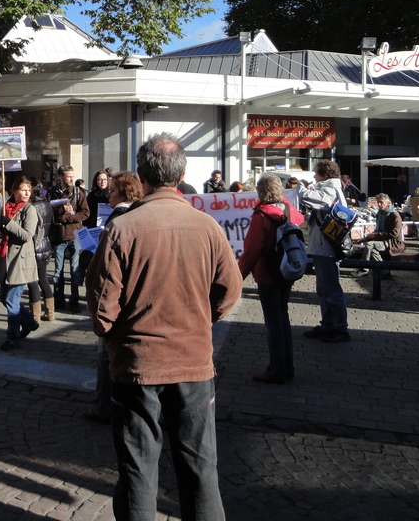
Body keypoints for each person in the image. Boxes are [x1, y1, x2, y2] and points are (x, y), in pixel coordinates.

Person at [86, 134, 242, 520]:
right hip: (192, 363)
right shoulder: (207, 226)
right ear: (183, 174)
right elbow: (230, 290)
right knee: (200, 468)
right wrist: (201, 320)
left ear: (141, 174)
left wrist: (111, 336)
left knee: (138, 468)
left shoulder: (123, 228)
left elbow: (102, 304)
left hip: (139, 366)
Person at [85, 170, 143, 424]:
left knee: (106, 356)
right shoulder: (142, 214)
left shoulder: (118, 218)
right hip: (138, 297)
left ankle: (105, 409)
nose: (108, 194)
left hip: (118, 300)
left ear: (122, 193)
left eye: (112, 190)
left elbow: (106, 270)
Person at [239, 174, 306, 385]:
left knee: (273, 323)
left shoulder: (261, 216)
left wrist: (237, 276)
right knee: (282, 318)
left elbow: (251, 250)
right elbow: (300, 219)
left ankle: (276, 370)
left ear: (260, 192)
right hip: (287, 270)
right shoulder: (287, 210)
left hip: (268, 273)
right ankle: (287, 367)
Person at [299, 160, 351, 343]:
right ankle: (328, 325)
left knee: (331, 289)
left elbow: (315, 199)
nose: (314, 176)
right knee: (324, 289)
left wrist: (299, 188)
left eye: (316, 173)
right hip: (323, 246)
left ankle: (340, 328)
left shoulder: (330, 190)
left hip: (326, 247)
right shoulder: (331, 188)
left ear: (325, 175)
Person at [0, 177, 41, 351]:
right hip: (5, 258)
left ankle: (12, 337)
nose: (27, 193)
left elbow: (27, 235)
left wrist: (10, 224)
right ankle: (29, 322)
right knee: (3, 297)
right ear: (14, 191)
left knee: (11, 299)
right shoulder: (6, 207)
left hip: (20, 261)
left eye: (29, 190)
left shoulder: (29, 210)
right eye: (23, 189)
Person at [49, 165, 90, 313]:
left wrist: (70, 216)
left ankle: (74, 301)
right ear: (60, 177)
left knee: (75, 270)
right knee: (58, 271)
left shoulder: (79, 193)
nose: (71, 179)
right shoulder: (53, 192)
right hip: (59, 236)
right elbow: (48, 212)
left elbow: (85, 213)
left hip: (75, 235)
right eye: (68, 176)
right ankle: (58, 300)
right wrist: (59, 213)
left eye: (73, 176)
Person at [357, 193, 406, 278]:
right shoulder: (379, 213)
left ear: (388, 203)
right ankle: (384, 270)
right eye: (378, 202)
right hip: (381, 239)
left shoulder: (394, 215)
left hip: (391, 242)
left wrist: (376, 236)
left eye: (381, 202)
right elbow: (378, 229)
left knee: (369, 245)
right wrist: (369, 236)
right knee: (371, 249)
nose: (379, 204)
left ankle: (364, 270)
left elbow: (394, 233)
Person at [27, 180, 55, 322]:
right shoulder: (48, 205)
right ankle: (50, 313)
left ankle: (35, 316)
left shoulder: (31, 207)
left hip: (34, 247)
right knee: (43, 280)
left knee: (32, 281)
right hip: (46, 245)